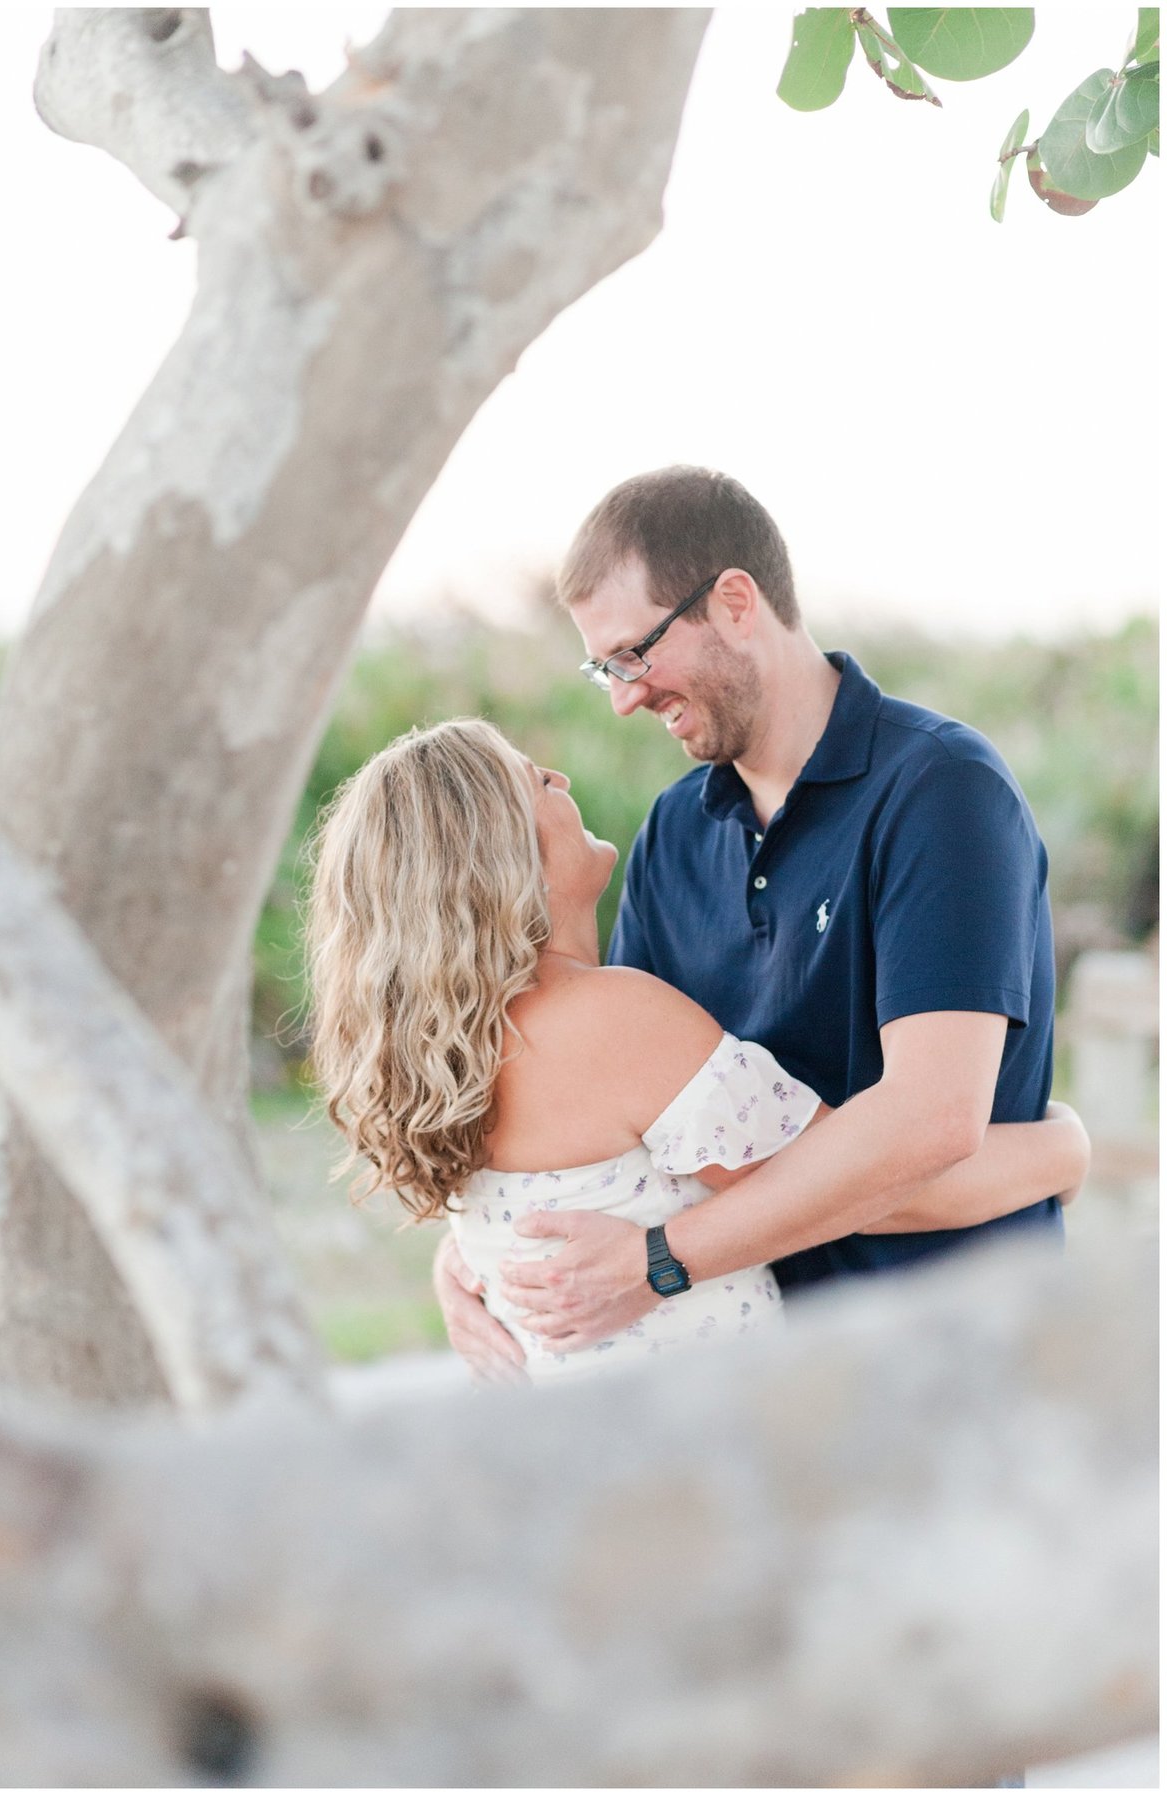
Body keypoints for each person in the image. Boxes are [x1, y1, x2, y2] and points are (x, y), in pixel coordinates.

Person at [433, 467, 1076, 1378]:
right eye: (603, 669)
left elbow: (930, 1121)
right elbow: (633, 1126)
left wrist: (662, 1260)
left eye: (633, 654)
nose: (622, 697)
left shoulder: (940, 791)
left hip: (956, 1362)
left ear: (735, 602)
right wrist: (473, 1250)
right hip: (765, 1376)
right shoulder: (673, 833)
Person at [305, 717, 1087, 1385]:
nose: (558, 775)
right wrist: (1066, 1149)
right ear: (494, 852)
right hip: (701, 1449)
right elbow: (867, 1184)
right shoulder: (607, 1022)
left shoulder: (466, 1049)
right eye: (529, 780)